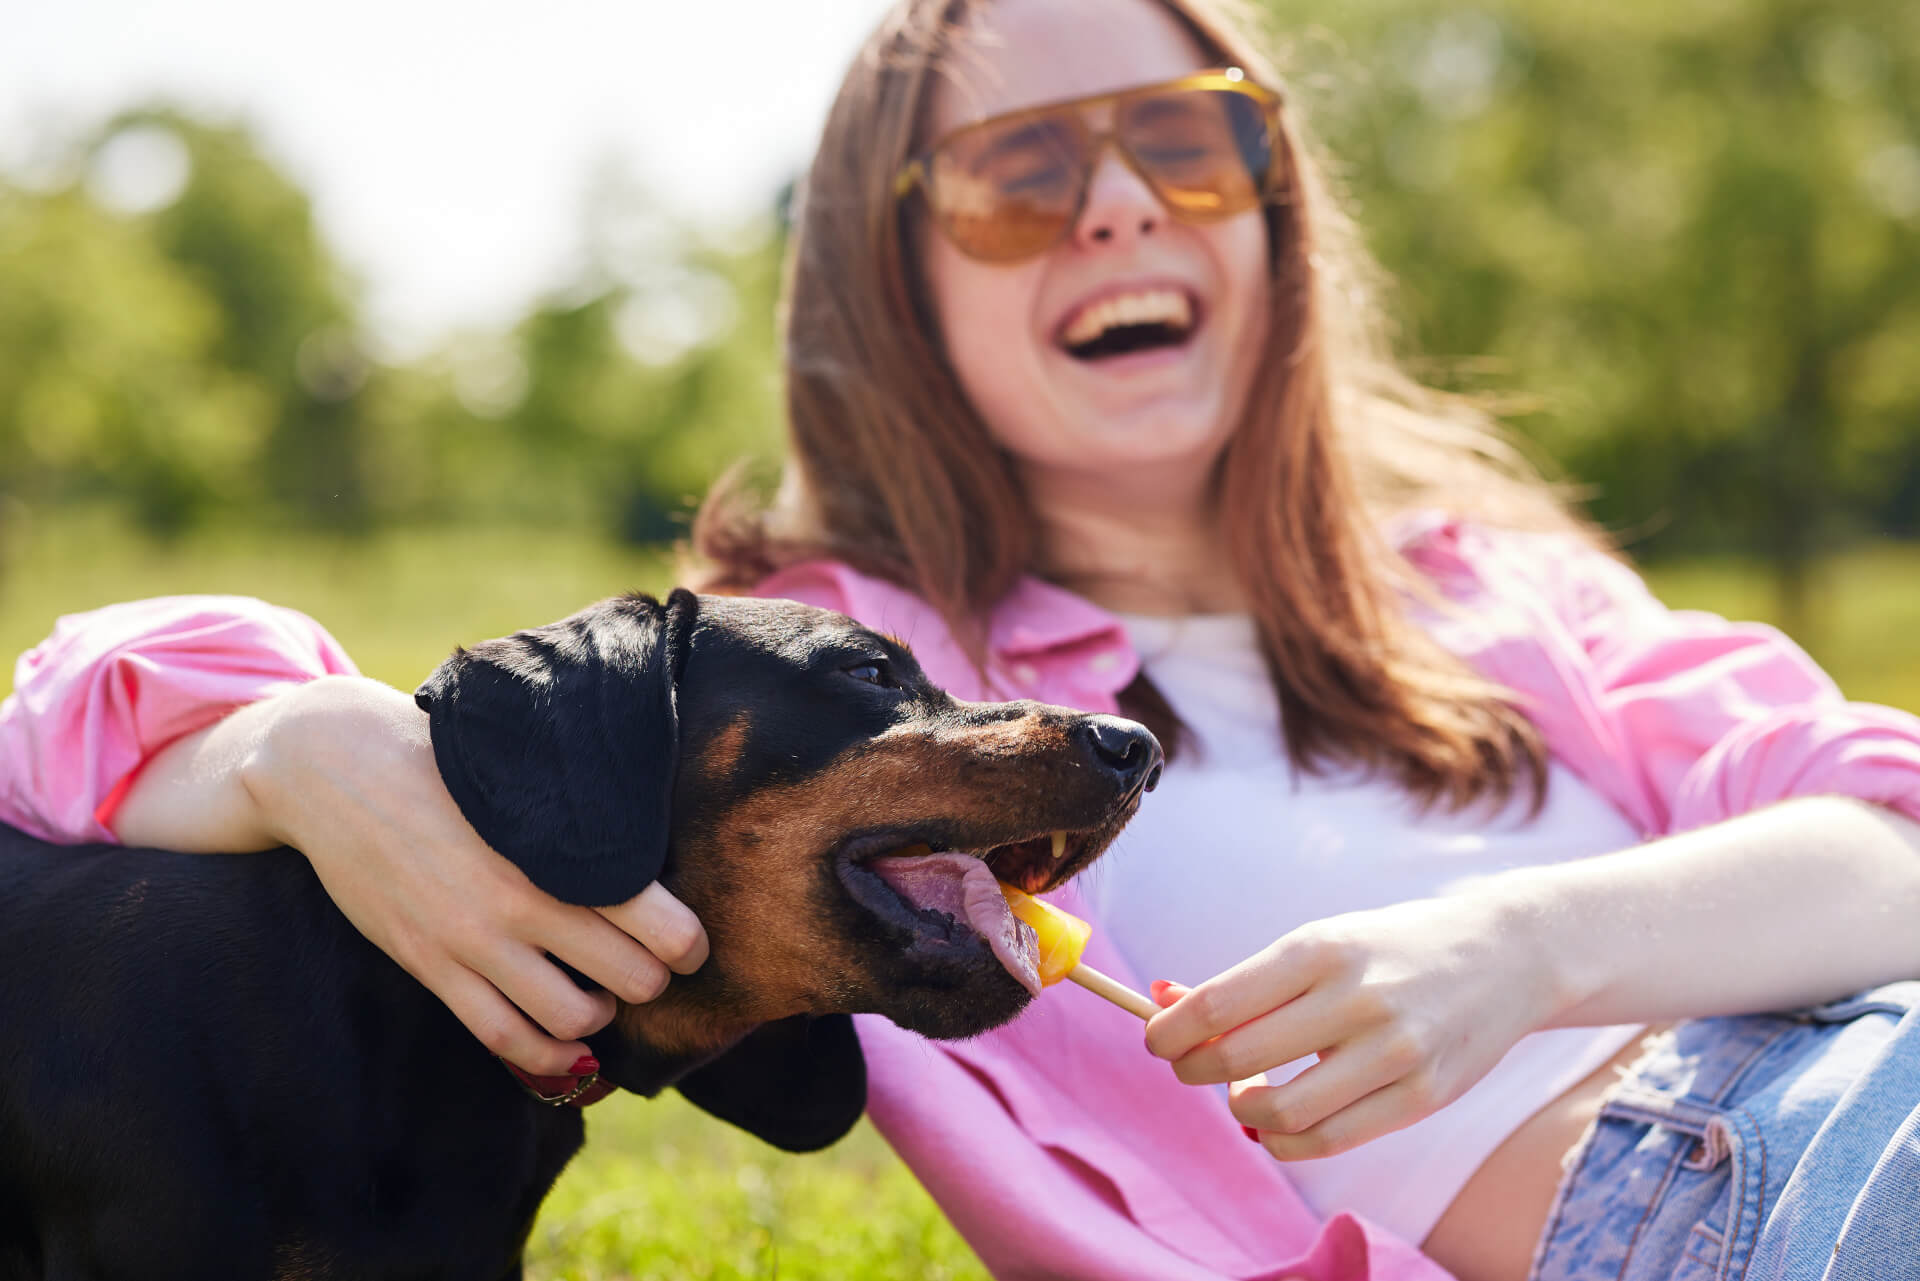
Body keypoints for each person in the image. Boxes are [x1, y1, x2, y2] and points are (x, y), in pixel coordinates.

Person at [5, 1, 1920, 1278]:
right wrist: (297, 746)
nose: (1112, 204)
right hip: (1736, 1192)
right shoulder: (859, 655)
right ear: (895, 272)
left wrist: (1525, 946)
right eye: (1020, 176)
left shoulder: (1497, 592)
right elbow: (71, 709)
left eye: (1183, 139)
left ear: (1269, 213)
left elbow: (1888, 832)